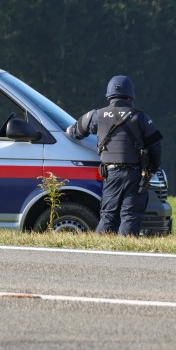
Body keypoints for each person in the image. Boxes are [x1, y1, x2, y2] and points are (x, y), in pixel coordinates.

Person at [66, 75, 162, 236]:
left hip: (110, 174)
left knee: (108, 215)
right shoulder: (141, 117)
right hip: (135, 175)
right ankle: (125, 252)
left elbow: (73, 131)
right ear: (131, 95)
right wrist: (152, 169)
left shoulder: (97, 115)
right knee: (130, 216)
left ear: (109, 95)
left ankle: (100, 252)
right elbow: (156, 148)